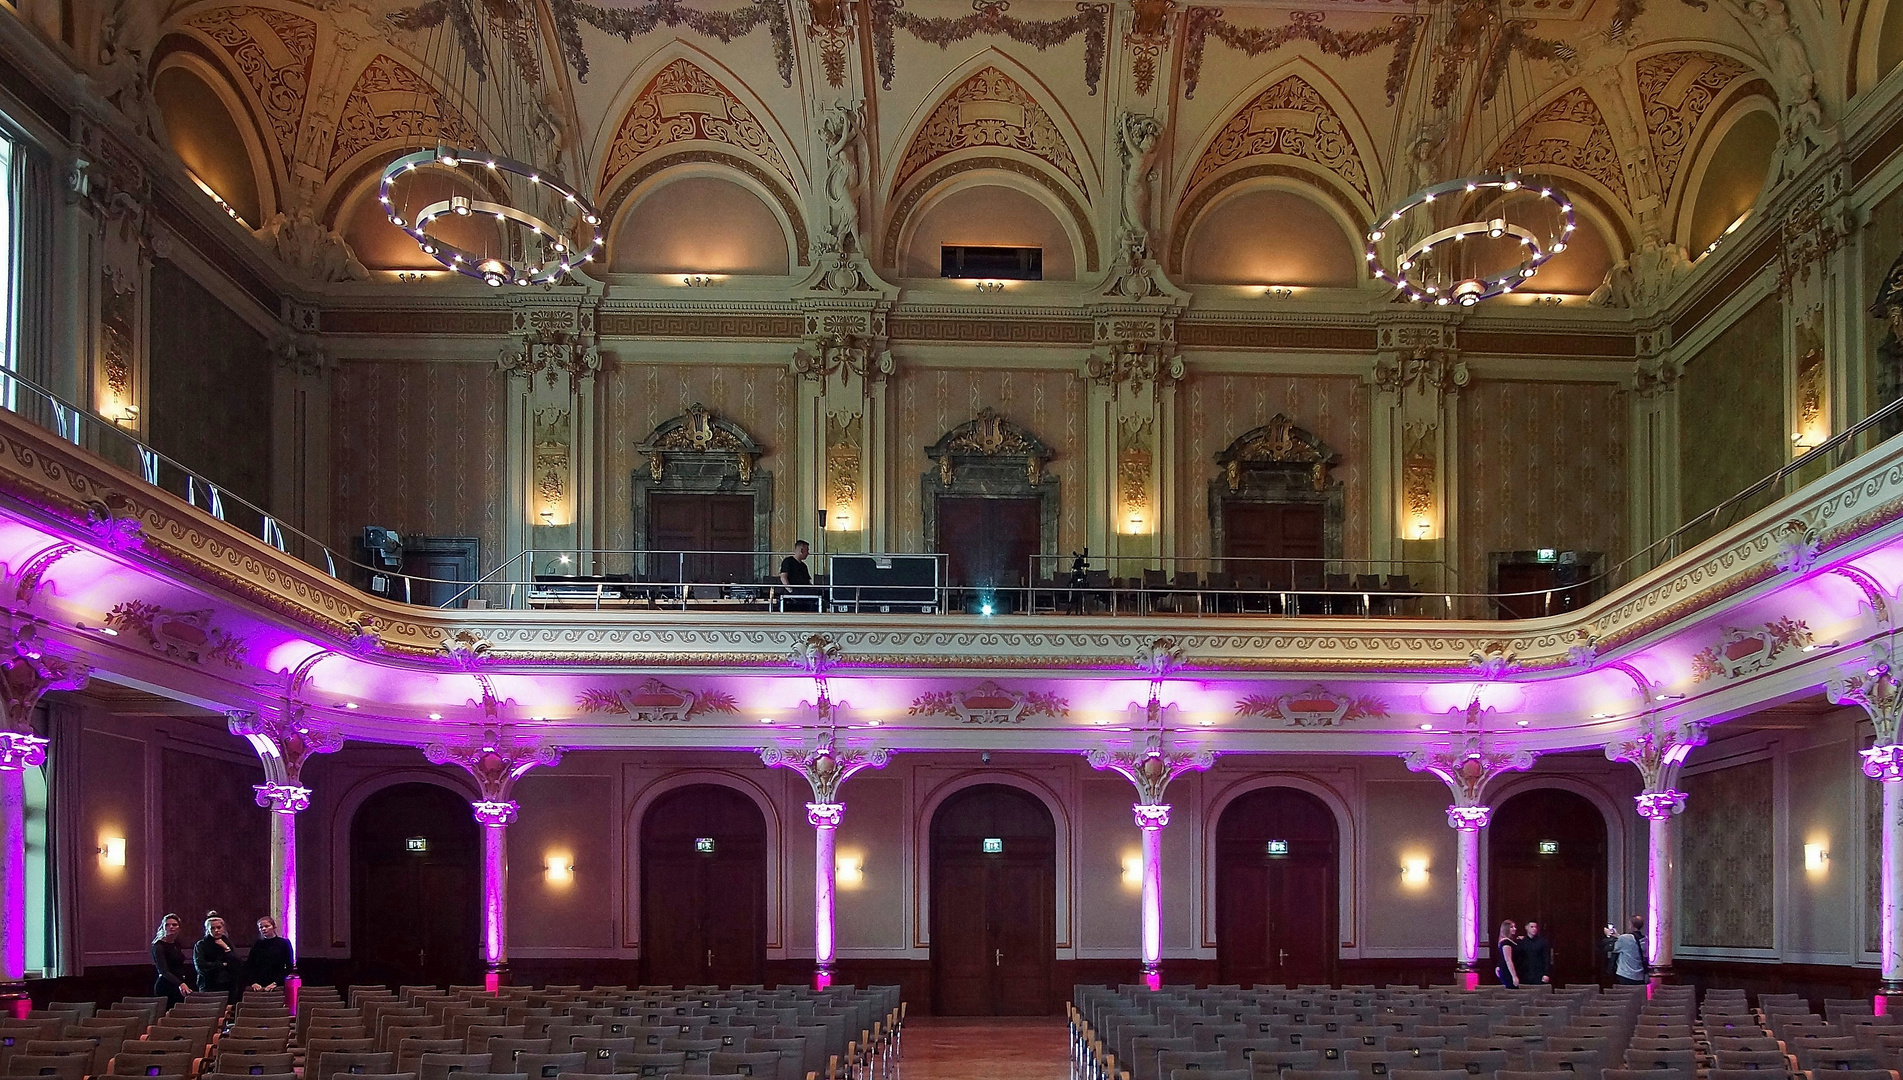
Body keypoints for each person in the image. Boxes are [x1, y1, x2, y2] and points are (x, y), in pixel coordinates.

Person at [193, 911, 240, 1002]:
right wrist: (222, 965)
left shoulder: (228, 942)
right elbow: (201, 966)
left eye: (219, 927)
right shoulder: (201, 944)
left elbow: (237, 963)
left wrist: (226, 949)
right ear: (207, 930)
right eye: (212, 928)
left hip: (228, 984)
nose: (216, 930)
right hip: (208, 984)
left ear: (223, 928)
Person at [150, 913, 193, 1005]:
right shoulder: (158, 946)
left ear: (179, 928)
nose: (171, 927)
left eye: (174, 925)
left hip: (179, 983)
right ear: (163, 927)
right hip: (166, 984)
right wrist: (180, 984)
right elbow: (163, 970)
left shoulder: (176, 944)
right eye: (167, 925)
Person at [245, 914, 294, 993]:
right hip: (258, 985)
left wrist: (276, 983)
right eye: (261, 927)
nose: (264, 929)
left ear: (274, 927)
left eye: (267, 926)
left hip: (276, 984)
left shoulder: (284, 943)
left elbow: (289, 966)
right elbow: (249, 965)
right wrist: (253, 982)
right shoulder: (257, 944)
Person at [778, 540, 817, 612]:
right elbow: (783, 577)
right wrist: (791, 591)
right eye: (807, 550)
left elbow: (807, 582)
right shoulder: (788, 561)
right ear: (801, 550)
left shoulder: (804, 566)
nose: (808, 553)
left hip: (803, 593)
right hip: (793, 595)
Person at [1604, 919, 1646, 985]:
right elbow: (1628, 943)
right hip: (1640, 975)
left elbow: (1613, 948)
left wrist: (1608, 935)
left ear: (1631, 925)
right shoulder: (1645, 939)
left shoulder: (1625, 938)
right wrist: (1617, 935)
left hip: (1626, 974)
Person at [1520, 920, 1552, 985]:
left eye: (1535, 927)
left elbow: (1546, 959)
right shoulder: (1521, 942)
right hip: (1525, 974)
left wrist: (1546, 973)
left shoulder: (1542, 942)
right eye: (1532, 927)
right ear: (1526, 927)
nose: (1534, 929)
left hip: (1538, 973)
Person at [1495, 919, 1520, 988]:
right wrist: (1514, 976)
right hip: (1508, 971)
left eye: (1514, 927)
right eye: (1511, 927)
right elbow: (1508, 960)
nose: (1514, 929)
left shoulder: (1511, 941)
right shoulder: (1505, 942)